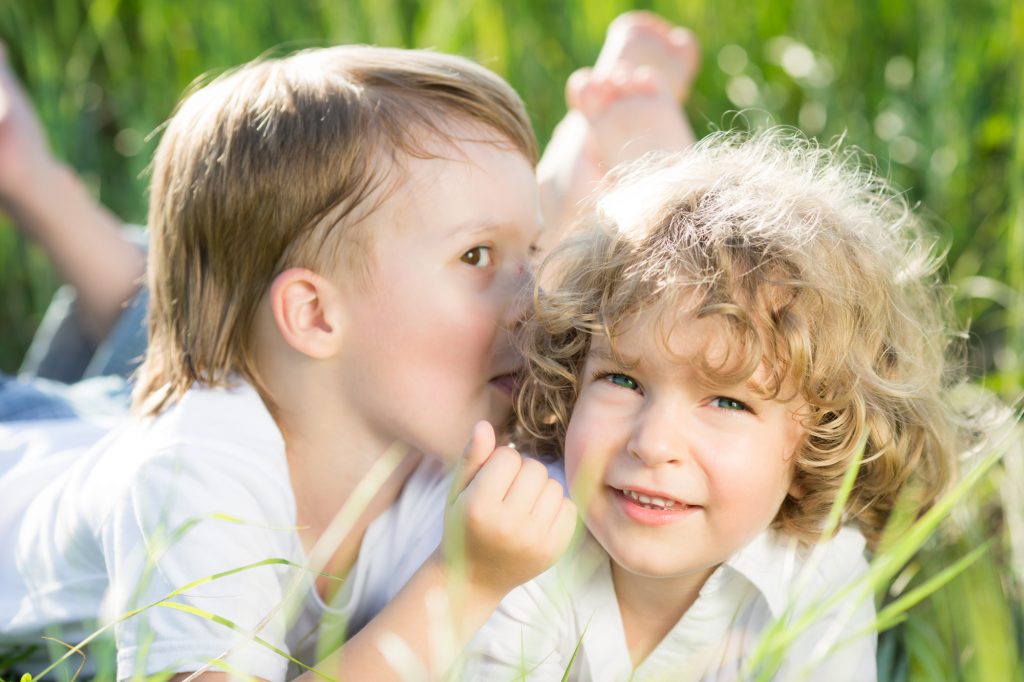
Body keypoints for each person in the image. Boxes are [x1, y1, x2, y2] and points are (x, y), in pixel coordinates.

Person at [1, 44, 583, 682]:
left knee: (189, 317)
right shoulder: (194, 474)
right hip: (26, 446)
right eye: (477, 256)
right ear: (314, 315)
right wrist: (463, 585)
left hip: (131, 421)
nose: (536, 304)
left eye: (532, 248)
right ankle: (28, 172)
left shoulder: (432, 435)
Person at [467, 122, 981, 679]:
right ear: (571, 383)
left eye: (728, 403)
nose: (654, 443)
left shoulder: (815, 575)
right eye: (622, 381)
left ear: (819, 441)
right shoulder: (519, 538)